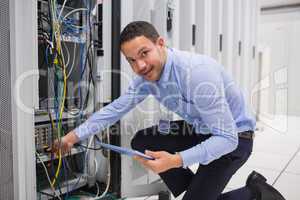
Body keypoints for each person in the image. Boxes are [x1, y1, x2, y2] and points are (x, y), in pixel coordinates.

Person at [54, 21, 285, 200]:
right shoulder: (145, 78)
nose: (140, 66)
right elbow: (115, 109)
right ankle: (197, 190)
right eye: (131, 60)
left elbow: (227, 139)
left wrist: (175, 161)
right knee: (143, 140)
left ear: (161, 44)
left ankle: (256, 193)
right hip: (200, 127)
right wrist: (72, 137)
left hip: (235, 137)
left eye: (144, 53)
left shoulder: (196, 73)